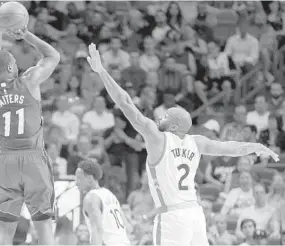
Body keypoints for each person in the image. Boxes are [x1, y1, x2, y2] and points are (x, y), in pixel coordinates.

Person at [86, 43, 279, 246]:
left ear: (176, 125)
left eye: (168, 114)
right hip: (195, 213)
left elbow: (125, 103)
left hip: (173, 216)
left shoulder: (157, 137)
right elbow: (228, 147)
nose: (163, 114)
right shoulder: (196, 142)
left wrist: (102, 72)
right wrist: (255, 146)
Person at [0, 4, 60, 245]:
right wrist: (26, 35)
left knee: (5, 232)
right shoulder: (29, 81)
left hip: (6, 161)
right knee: (43, 228)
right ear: (13, 67)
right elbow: (53, 56)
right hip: (34, 159)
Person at [75, 159, 130, 245]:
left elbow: (97, 229)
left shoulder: (90, 197)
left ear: (89, 178)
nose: (76, 182)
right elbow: (127, 226)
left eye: (79, 178)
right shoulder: (109, 194)